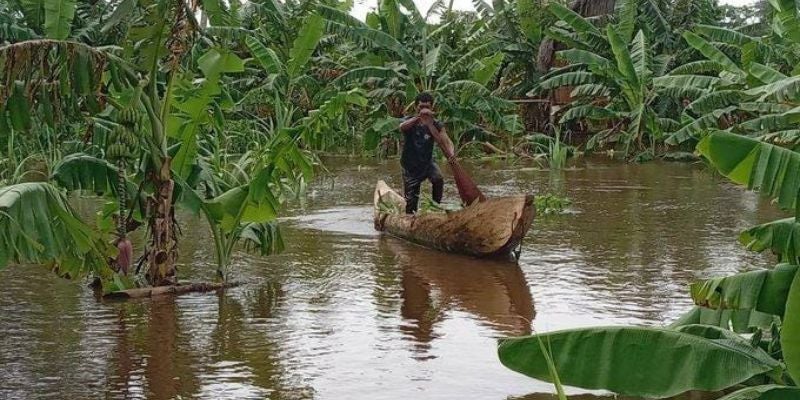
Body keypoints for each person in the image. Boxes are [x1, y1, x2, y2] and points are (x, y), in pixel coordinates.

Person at [398, 92, 456, 214]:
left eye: (427, 107)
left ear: (432, 108)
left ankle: (435, 208)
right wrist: (419, 117)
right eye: (421, 107)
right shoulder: (409, 121)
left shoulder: (436, 124)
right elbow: (402, 127)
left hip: (428, 162)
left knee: (438, 179)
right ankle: (410, 219)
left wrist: (451, 154)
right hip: (410, 166)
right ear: (416, 107)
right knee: (412, 201)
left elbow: (446, 141)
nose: (424, 110)